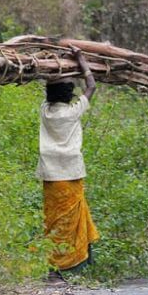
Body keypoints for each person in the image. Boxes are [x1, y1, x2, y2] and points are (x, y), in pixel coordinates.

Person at [36, 48, 100, 273]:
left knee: (53, 220)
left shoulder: (45, 111)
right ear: (69, 94)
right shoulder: (73, 111)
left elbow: (46, 84)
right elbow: (91, 86)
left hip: (51, 176)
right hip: (71, 174)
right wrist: (81, 60)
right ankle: (73, 265)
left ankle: (52, 264)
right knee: (71, 222)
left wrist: (47, 65)